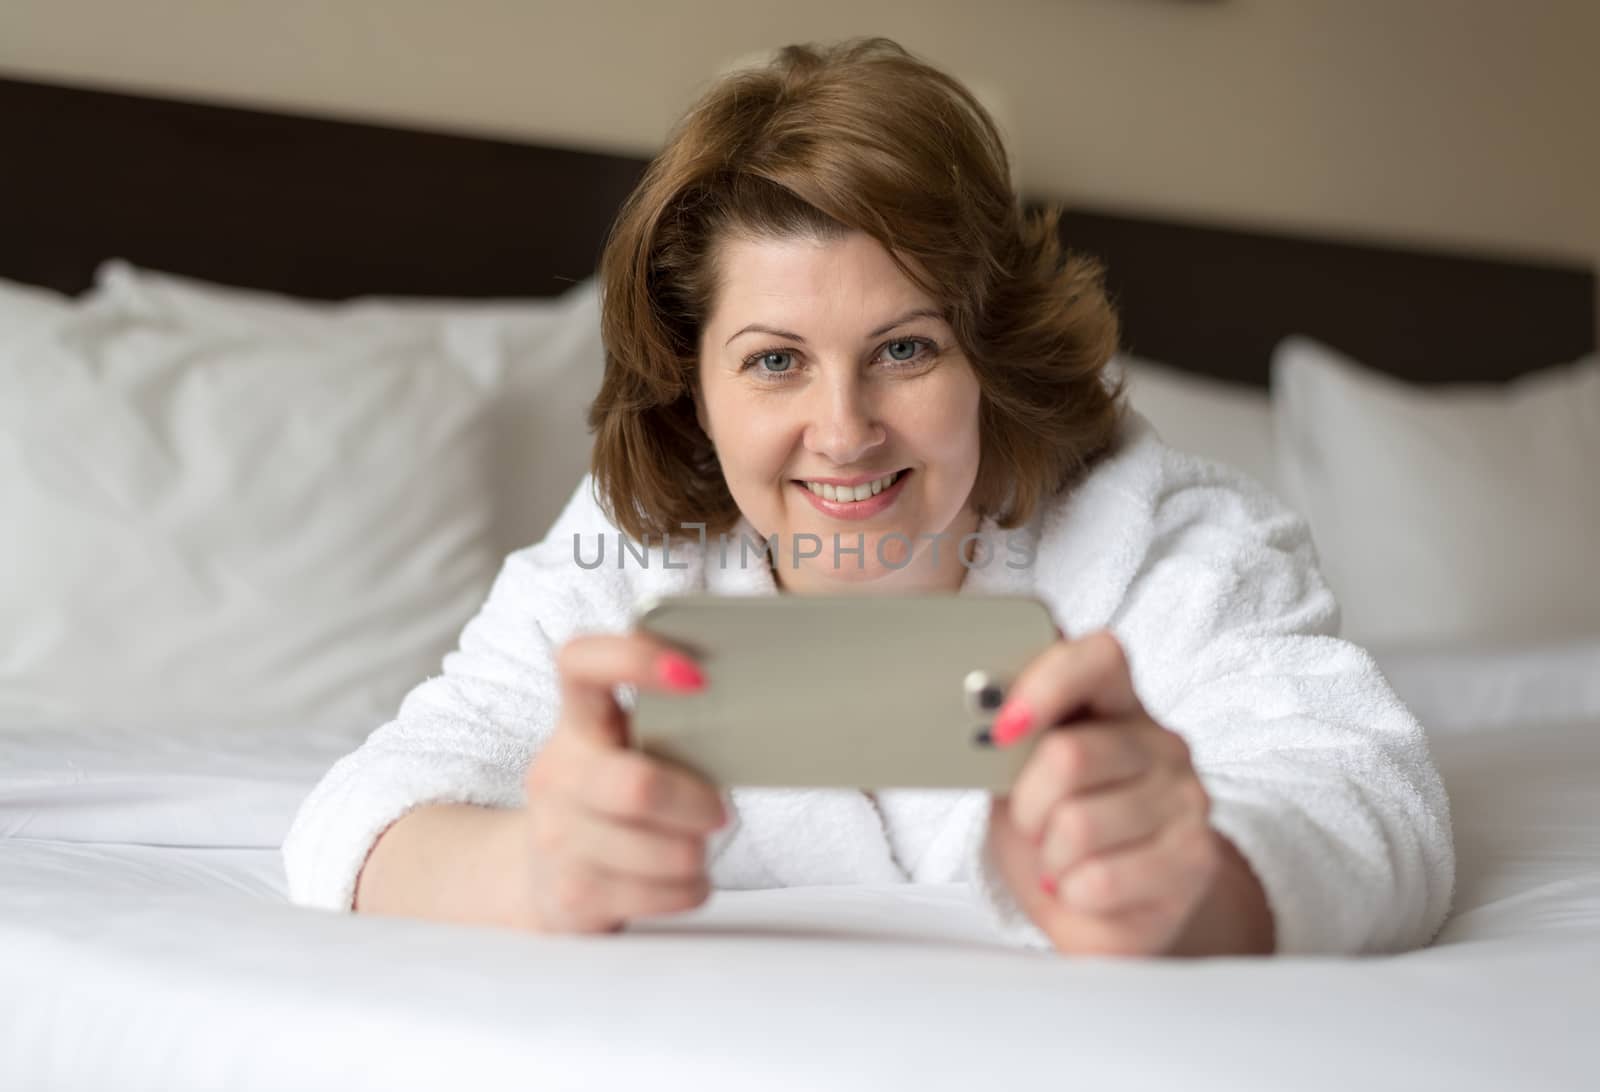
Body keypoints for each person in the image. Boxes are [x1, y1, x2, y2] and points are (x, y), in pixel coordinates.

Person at [283, 38, 1453, 957]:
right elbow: (371, 806)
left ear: (990, 352)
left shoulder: (1169, 545)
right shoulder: (633, 556)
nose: (843, 434)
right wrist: (530, 869)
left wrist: (1187, 885)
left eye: (904, 350)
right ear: (693, 382)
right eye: (774, 360)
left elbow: (1362, 797)